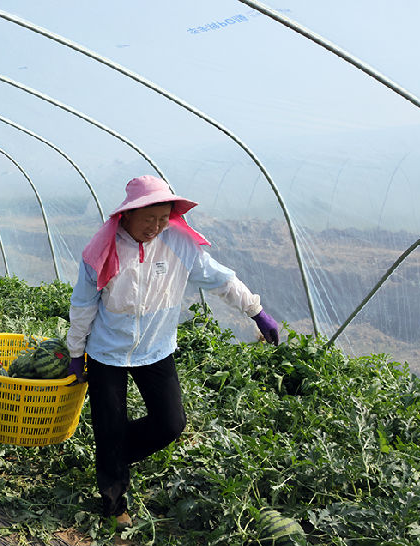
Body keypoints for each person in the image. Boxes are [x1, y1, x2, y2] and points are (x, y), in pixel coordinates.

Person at [66, 175, 280, 528]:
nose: (156, 227)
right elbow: (83, 305)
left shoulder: (179, 243)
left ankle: (112, 455)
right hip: (107, 351)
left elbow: (220, 279)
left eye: (163, 219)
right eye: (148, 219)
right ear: (128, 216)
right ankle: (114, 502)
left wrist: (256, 311)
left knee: (170, 423)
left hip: (156, 348)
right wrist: (76, 352)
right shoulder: (102, 250)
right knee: (109, 423)